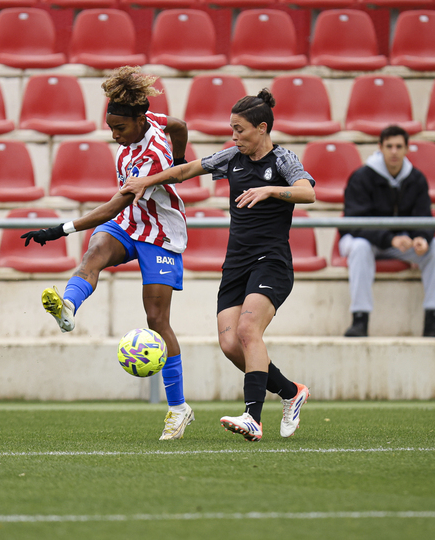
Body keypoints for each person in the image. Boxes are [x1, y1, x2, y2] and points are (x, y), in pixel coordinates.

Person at [122, 89, 313, 443]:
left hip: (271, 262)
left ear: (262, 127)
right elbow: (187, 170)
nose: (234, 136)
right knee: (230, 345)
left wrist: (271, 190)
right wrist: (146, 181)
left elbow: (308, 191)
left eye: (239, 130)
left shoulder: (283, 160)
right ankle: (291, 391)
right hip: (236, 264)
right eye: (231, 129)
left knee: (247, 330)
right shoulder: (232, 158)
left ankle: (252, 417)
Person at [21, 66, 194, 440]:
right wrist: (183, 160)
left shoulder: (152, 156)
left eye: (119, 129)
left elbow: (113, 206)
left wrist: (60, 229)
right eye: (111, 127)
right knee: (94, 252)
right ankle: (68, 308)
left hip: (160, 235)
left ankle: (179, 409)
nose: (114, 135)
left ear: (139, 120)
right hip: (129, 224)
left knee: (157, 321)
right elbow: (178, 124)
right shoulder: (155, 122)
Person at [338, 125, 435, 338]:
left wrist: (422, 238)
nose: (394, 151)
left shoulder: (416, 178)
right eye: (389, 146)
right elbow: (354, 222)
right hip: (365, 239)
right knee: (360, 247)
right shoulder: (361, 177)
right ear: (380, 147)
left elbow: (424, 216)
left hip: (399, 243)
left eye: (399, 146)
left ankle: (434, 319)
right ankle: (360, 319)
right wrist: (389, 239)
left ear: (407, 148)